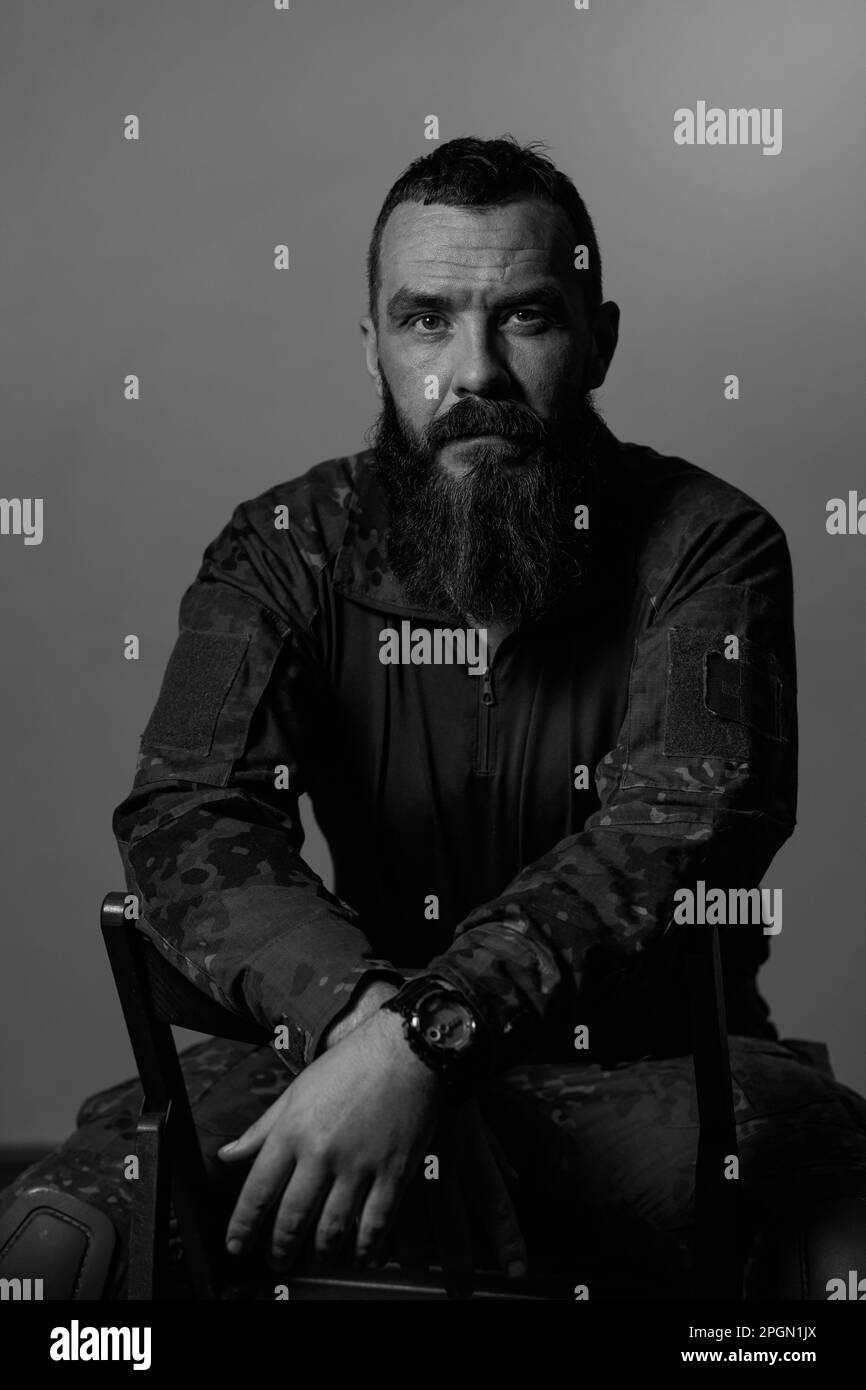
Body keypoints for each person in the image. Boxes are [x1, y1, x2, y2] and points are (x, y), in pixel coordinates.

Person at [3, 136, 866, 1301]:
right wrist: (368, 1025)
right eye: (424, 321)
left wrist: (436, 1033)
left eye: (524, 318)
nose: (474, 373)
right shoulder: (280, 550)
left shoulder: (708, 545)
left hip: (652, 1075)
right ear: (373, 346)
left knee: (842, 1255)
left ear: (596, 339)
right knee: (59, 1250)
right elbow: (185, 815)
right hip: (337, 1052)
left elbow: (684, 823)